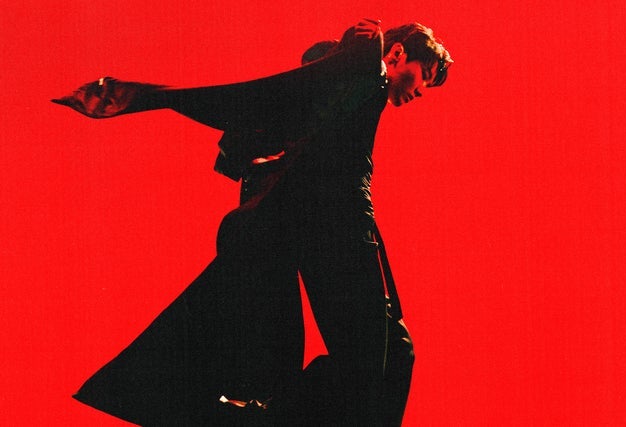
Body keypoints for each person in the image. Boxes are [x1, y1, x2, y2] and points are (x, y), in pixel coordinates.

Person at [54, 19, 452, 426]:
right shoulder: (367, 70)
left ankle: (273, 411)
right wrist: (361, 47)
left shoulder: (355, 88)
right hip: (337, 233)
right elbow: (276, 95)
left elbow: (301, 108)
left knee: (396, 352)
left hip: (340, 228)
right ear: (398, 54)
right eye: (424, 75)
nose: (422, 90)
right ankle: (266, 412)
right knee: (372, 363)